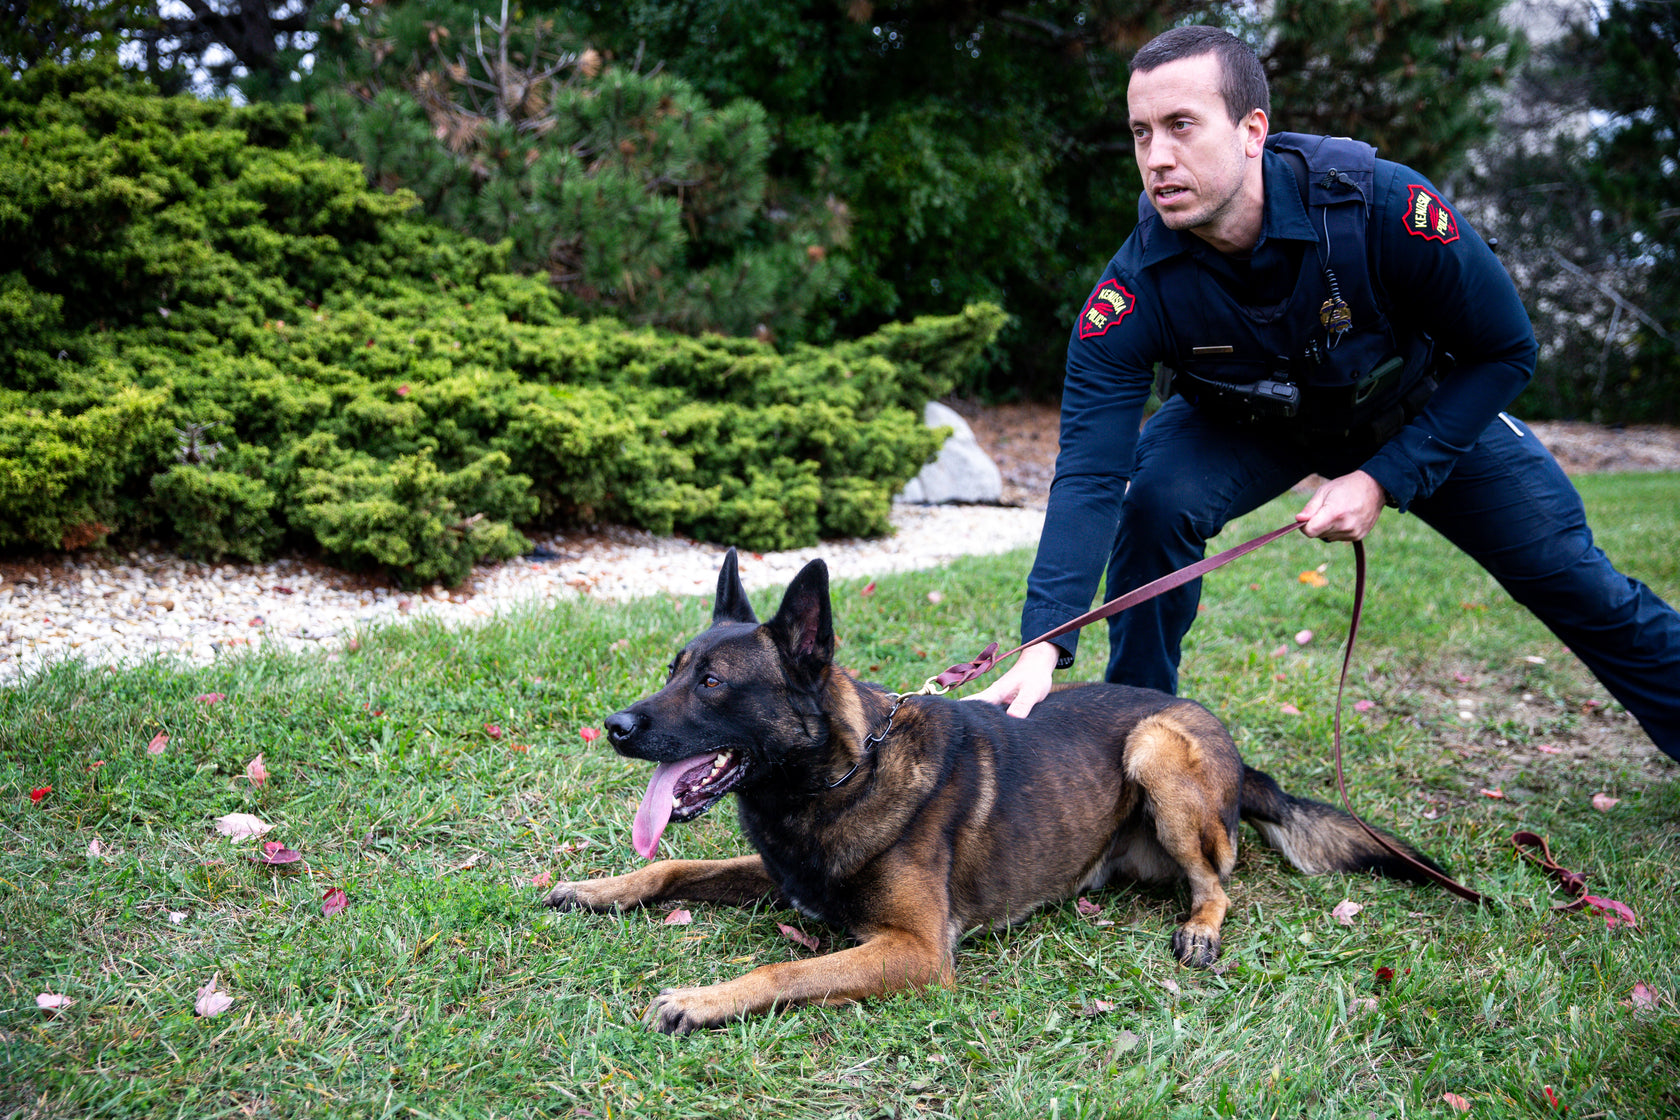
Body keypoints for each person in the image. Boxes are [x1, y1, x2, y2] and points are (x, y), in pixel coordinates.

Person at [971, 25, 1680, 763]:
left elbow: (1506, 351)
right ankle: (1138, 751)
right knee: (1155, 504)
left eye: (1182, 125)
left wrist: (1383, 477)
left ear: (1252, 131)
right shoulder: (1132, 288)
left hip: (1415, 404)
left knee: (1573, 580)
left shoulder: (1382, 206)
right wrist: (1044, 642)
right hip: (1249, 420)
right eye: (1141, 132)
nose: (1157, 157)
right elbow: (1090, 473)